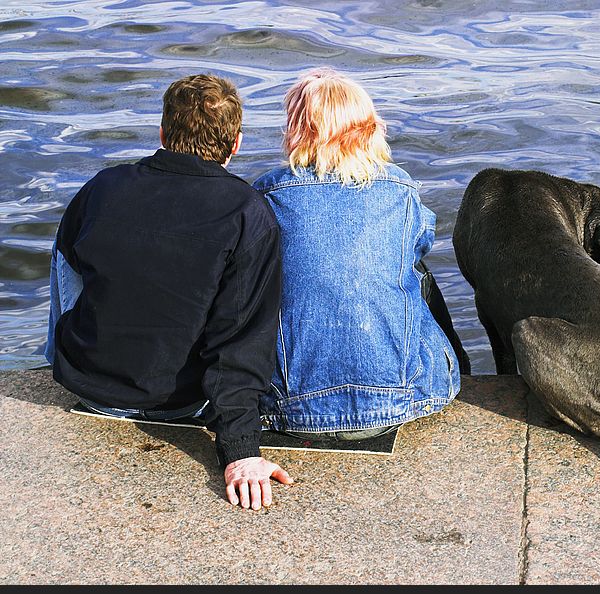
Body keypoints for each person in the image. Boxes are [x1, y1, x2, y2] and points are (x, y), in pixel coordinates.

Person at [46, 74, 291, 511]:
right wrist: (240, 450)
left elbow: (76, 266)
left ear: (162, 134)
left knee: (73, 244)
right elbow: (241, 337)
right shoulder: (247, 212)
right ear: (235, 144)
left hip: (91, 390)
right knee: (243, 302)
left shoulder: (104, 185)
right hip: (183, 403)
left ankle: (73, 354)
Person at [253, 68, 467, 442]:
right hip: (403, 397)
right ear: (369, 127)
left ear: (298, 129)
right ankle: (451, 365)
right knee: (414, 269)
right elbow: (421, 244)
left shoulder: (269, 195)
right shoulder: (400, 189)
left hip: (293, 406)